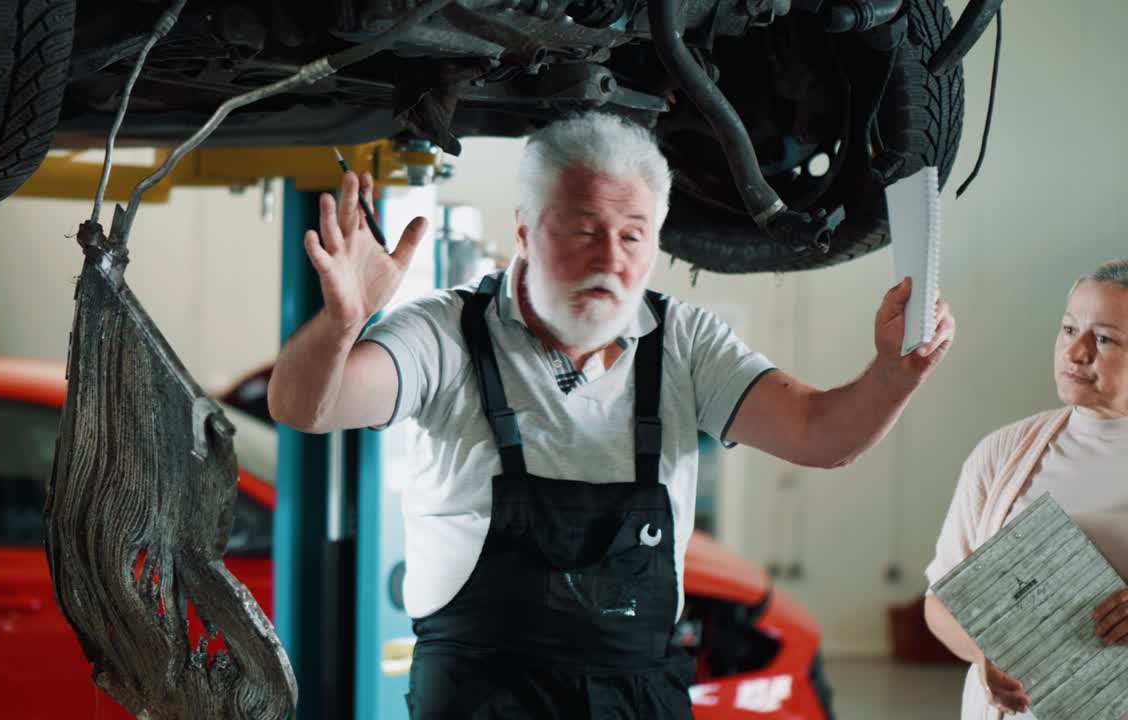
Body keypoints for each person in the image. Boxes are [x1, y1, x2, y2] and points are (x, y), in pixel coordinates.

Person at [268, 112, 955, 718]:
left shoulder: (686, 344)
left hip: (639, 697)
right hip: (481, 696)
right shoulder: (446, 334)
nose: (611, 259)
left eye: (634, 235)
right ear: (525, 230)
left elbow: (819, 435)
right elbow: (308, 406)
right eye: (584, 229)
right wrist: (341, 324)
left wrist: (893, 375)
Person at [925, 258, 1128, 719]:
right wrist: (984, 659)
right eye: (1068, 328)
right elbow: (940, 601)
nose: (1075, 351)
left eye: (1102, 338)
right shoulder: (1003, 455)